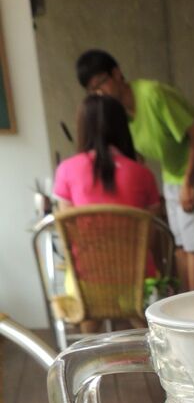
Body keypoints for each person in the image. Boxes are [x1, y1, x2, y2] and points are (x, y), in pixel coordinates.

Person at [75, 49, 194, 292]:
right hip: (171, 174)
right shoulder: (119, 113)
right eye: (93, 90)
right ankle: (185, 305)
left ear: (117, 73)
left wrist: (189, 183)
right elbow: (137, 156)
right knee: (180, 248)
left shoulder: (152, 95)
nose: (100, 93)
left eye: (101, 83)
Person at [53, 93, 162, 332]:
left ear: (82, 128)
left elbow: (69, 237)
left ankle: (88, 346)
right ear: (123, 127)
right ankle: (151, 343)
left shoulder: (66, 170)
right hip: (136, 285)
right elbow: (151, 238)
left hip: (87, 285)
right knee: (142, 310)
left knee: (83, 290)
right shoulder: (143, 174)